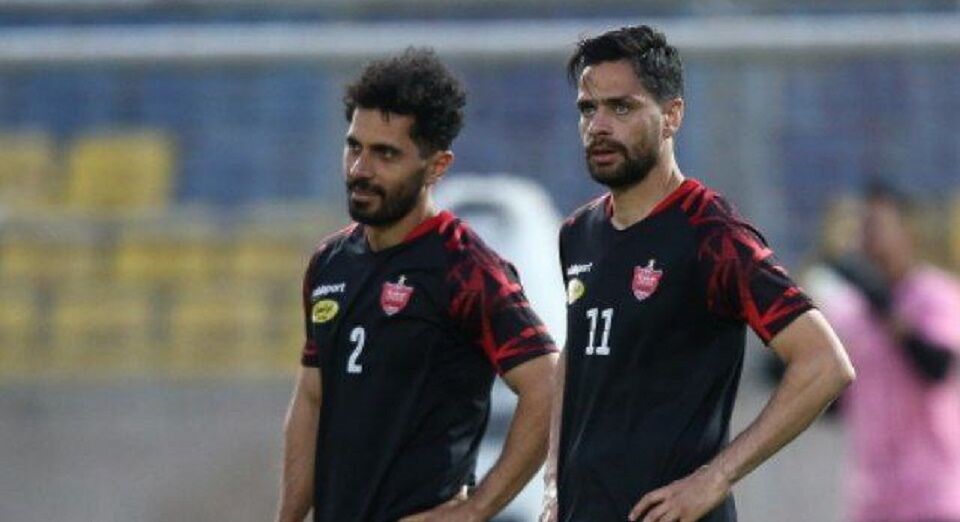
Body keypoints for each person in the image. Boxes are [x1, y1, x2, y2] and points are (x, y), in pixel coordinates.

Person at [540, 25, 856, 522]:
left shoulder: (712, 234)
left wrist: (716, 478)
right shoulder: (578, 234)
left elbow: (825, 365)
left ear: (671, 116)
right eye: (588, 109)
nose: (598, 126)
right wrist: (553, 481)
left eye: (621, 108)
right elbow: (577, 360)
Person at [275, 48, 559, 522]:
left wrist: (478, 509)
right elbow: (311, 398)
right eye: (355, 147)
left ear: (437, 166)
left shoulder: (465, 269)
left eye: (385, 154)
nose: (361, 169)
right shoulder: (329, 263)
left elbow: (548, 385)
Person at [816, 182, 960, 522]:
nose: (869, 238)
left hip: (933, 495)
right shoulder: (850, 310)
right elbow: (832, 404)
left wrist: (882, 304)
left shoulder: (935, 294)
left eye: (877, 226)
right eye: (863, 228)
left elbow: (937, 366)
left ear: (907, 231)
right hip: (875, 499)